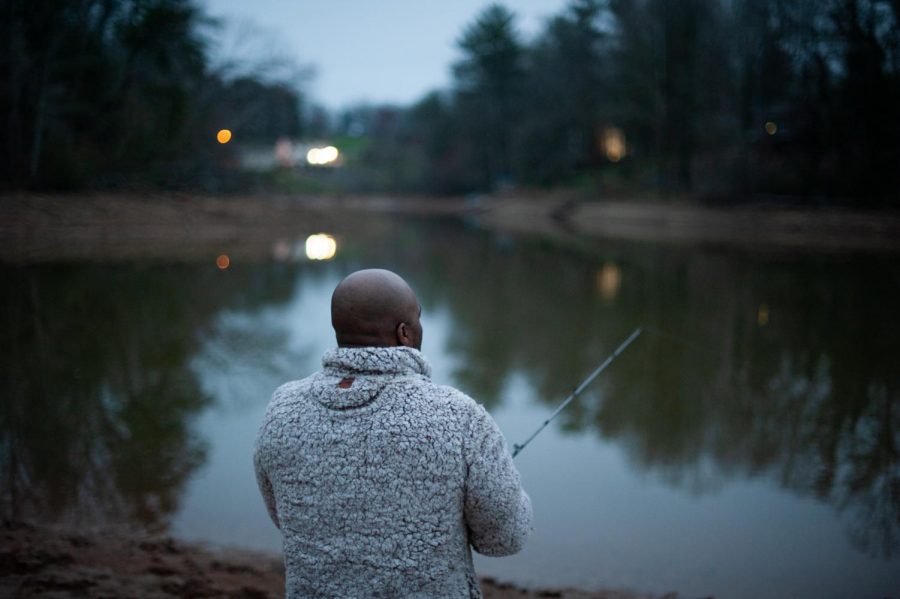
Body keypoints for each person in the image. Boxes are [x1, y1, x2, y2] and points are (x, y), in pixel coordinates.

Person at [254, 268, 532, 598]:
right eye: (418, 318)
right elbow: (505, 538)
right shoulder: (458, 415)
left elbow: (285, 517)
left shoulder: (282, 408)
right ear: (404, 333)